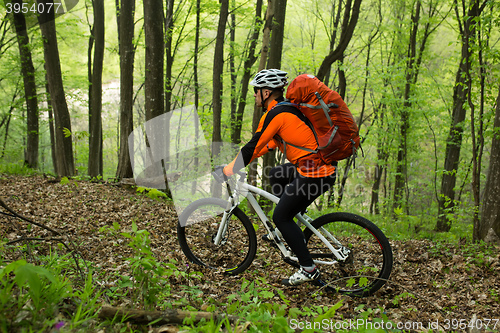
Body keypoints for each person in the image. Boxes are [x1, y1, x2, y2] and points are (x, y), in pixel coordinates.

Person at [221, 69, 337, 286]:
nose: (254, 96)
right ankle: (292, 223)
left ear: (266, 92)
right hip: (316, 167)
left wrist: (228, 170)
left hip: (316, 172)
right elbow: (269, 144)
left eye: (256, 92)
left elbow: (252, 147)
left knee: (281, 216)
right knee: (277, 174)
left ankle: (308, 268)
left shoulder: (276, 114)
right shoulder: (287, 110)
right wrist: (247, 157)